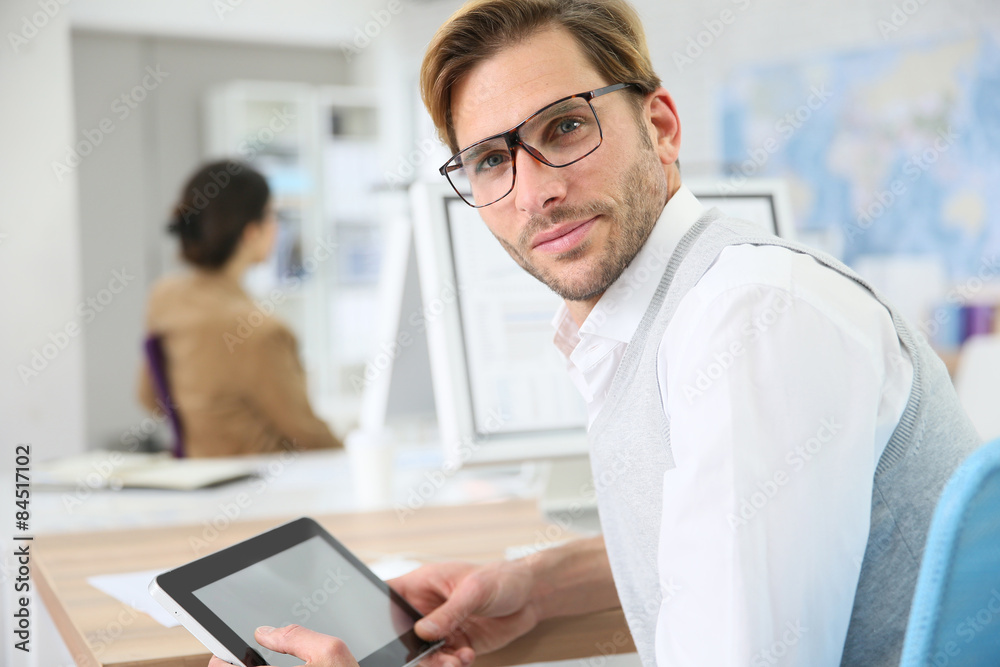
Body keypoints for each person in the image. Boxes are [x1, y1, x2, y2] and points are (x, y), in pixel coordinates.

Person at [208, 0, 981, 665]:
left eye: (567, 126)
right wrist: (539, 587)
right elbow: (721, 548)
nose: (536, 191)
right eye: (488, 161)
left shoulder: (750, 319)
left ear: (661, 126)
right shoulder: (658, 312)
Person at [139, 159, 342, 457]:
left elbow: (149, 397)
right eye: (273, 216)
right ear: (251, 232)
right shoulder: (260, 331)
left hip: (197, 475)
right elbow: (308, 434)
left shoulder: (165, 296)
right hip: (263, 487)